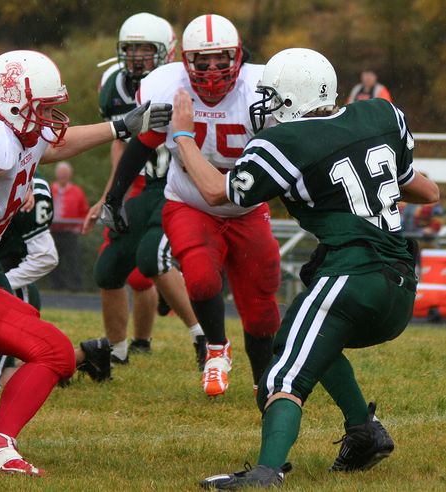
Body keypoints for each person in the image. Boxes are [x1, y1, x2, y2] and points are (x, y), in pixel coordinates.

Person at [0, 49, 171, 480]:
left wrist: (121, 125)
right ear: (15, 103)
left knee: (54, 352)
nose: (51, 118)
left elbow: (57, 144)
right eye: (44, 108)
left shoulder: (15, 129)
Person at [169, 47, 439, 488]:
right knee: (299, 332)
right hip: (400, 285)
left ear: (290, 99)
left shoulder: (287, 141)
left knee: (284, 371)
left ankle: (266, 471)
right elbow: (425, 193)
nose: (266, 107)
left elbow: (217, 192)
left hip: (353, 276)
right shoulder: (381, 115)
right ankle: (364, 433)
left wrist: (183, 136)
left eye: (272, 97)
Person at [102, 14, 281, 395]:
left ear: (237, 57)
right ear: (186, 61)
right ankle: (216, 348)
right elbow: (144, 142)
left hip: (247, 209)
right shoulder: (169, 87)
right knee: (199, 276)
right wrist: (115, 195)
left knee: (261, 302)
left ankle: (264, 382)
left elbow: (290, 160)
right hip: (189, 202)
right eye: (203, 60)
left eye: (221, 59)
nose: (213, 69)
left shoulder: (262, 90)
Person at [84, 12, 206, 367]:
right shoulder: (112, 83)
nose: (137, 56)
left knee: (152, 258)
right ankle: (116, 351)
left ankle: (203, 337)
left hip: (177, 181)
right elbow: (119, 142)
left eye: (145, 49)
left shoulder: (184, 81)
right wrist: (110, 195)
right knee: (108, 269)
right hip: (143, 181)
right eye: (131, 49)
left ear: (166, 52)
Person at [0, 170, 111, 388]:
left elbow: (46, 257)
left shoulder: (33, 185)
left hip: (11, 291)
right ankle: (84, 355)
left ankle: (60, 365)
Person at [50, 161, 89, 291]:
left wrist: (81, 227)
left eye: (65, 174)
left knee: (73, 260)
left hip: (70, 232)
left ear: (70, 175)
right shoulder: (50, 189)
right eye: (61, 174)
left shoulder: (77, 191)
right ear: (57, 175)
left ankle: (75, 286)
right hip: (53, 231)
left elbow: (84, 210)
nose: (63, 176)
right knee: (54, 260)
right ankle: (57, 286)